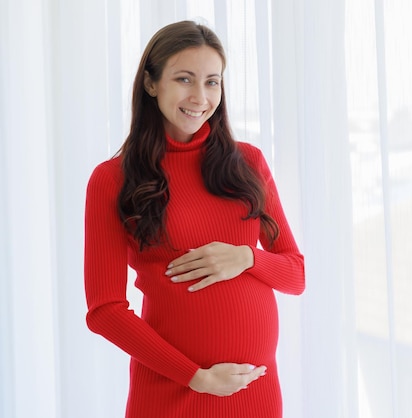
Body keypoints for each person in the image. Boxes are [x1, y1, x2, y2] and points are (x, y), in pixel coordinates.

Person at [84, 20, 305, 418]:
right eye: (184, 79)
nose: (200, 97)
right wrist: (194, 376)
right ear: (151, 83)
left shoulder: (248, 162)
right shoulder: (112, 179)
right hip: (173, 394)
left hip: (255, 392)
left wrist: (248, 257)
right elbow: (105, 310)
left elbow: (296, 274)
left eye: (212, 82)